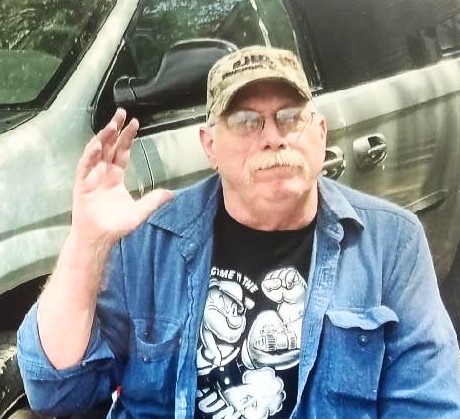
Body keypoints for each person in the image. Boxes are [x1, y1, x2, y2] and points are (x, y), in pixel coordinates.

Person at [17, 45, 460, 419]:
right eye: (247, 121)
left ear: (320, 133)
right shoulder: (151, 240)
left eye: (291, 117)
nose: (273, 137)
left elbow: (428, 406)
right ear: (210, 146)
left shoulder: (391, 243)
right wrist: (87, 243)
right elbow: (54, 388)